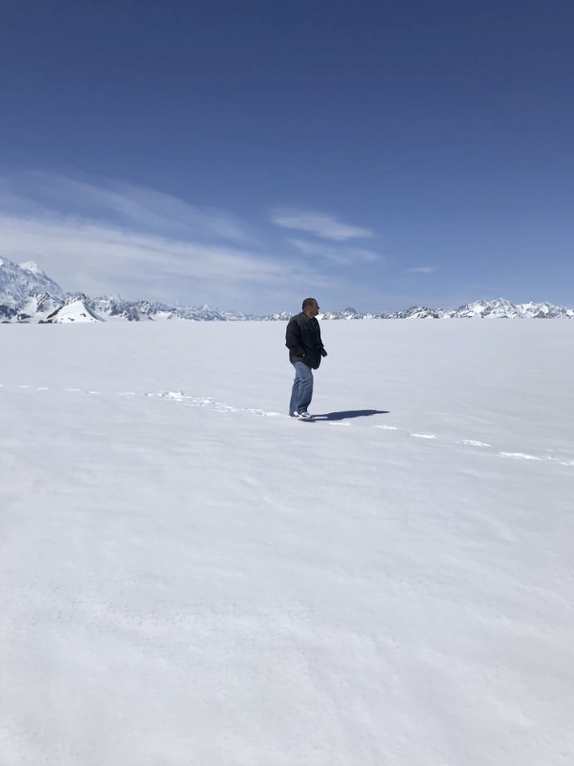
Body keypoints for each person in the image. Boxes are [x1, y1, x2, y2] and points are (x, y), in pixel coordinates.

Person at [285, 298, 327, 418]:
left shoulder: (314, 322)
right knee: (307, 379)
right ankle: (302, 409)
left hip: (309, 358)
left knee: (299, 381)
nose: (318, 308)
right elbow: (290, 341)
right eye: (316, 306)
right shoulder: (296, 321)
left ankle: (293, 411)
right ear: (309, 308)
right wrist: (301, 353)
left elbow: (317, 340)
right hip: (298, 358)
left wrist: (321, 349)